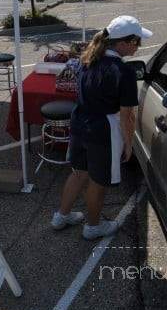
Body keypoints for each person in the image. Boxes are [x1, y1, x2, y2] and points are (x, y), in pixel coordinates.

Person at [51, 15, 152, 240]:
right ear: (124, 43)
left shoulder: (87, 59)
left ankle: (61, 216)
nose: (138, 47)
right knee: (98, 182)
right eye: (137, 42)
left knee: (78, 173)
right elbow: (127, 115)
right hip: (102, 130)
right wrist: (128, 143)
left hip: (79, 123)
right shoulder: (123, 71)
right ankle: (93, 226)